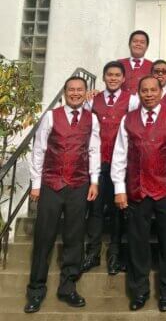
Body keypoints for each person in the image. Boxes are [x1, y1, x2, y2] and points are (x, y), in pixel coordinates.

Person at [111, 76, 166, 312]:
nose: (149, 94)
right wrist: (119, 189)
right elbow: (120, 156)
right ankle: (139, 290)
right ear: (139, 92)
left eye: (153, 90)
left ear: (160, 91)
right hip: (136, 190)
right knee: (137, 244)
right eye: (144, 90)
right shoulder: (128, 119)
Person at [24, 76, 100, 314]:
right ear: (65, 92)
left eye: (80, 90)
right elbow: (39, 150)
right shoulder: (50, 116)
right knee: (44, 237)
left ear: (85, 92)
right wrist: (36, 184)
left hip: (78, 184)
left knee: (74, 238)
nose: (75, 93)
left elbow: (94, 149)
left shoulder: (92, 118)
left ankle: (67, 287)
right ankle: (36, 289)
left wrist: (94, 181)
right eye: (71, 90)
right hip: (51, 184)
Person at [82, 61, 139, 275]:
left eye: (117, 75)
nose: (113, 78)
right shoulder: (92, 101)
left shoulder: (132, 101)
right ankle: (93, 252)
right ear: (104, 77)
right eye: (109, 75)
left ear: (124, 79)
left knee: (118, 210)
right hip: (98, 162)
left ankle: (114, 253)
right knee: (95, 209)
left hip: (121, 163)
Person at [118, 30, 153, 94]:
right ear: (129, 44)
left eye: (142, 42)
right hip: (122, 103)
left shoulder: (153, 66)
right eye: (135, 41)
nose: (138, 44)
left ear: (147, 47)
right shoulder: (119, 64)